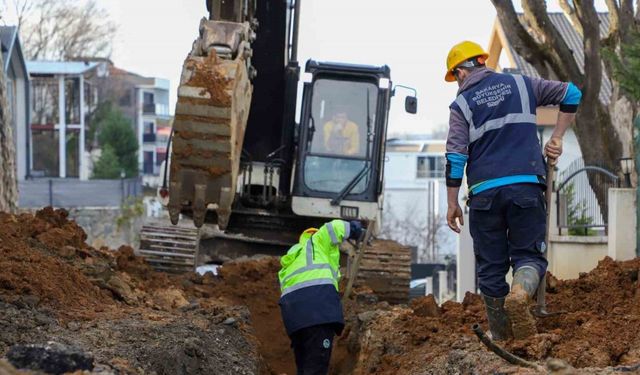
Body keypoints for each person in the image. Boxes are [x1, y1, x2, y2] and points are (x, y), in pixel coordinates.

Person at [443, 41, 582, 340]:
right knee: (529, 257)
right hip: (526, 187)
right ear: (481, 61)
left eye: (454, 78)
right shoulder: (521, 84)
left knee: (491, 270)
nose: (456, 83)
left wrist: (452, 202)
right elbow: (572, 93)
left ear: (460, 73)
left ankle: (502, 337)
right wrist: (556, 138)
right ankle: (521, 292)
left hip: (484, 195)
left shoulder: (461, 105)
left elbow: (455, 157)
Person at [278, 219, 363, 375]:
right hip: (317, 313)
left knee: (304, 367)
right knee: (316, 368)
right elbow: (333, 227)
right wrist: (353, 229)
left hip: (294, 320)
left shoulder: (290, 261)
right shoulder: (316, 241)